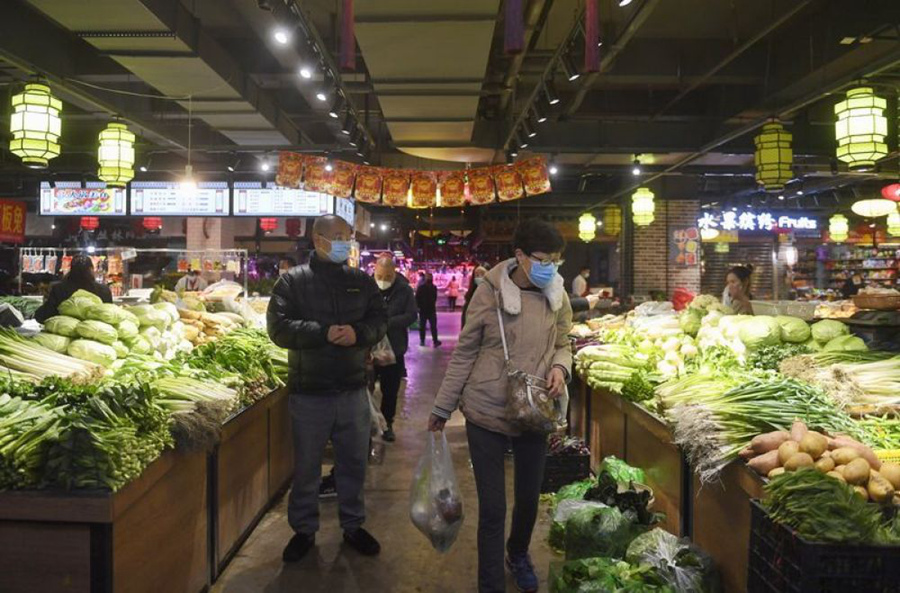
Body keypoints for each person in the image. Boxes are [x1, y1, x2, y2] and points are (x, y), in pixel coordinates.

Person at [428, 219, 573, 593]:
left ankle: (518, 553)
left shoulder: (556, 294)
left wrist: (560, 368)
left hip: (534, 408)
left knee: (528, 499)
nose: (550, 268)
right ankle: (490, 584)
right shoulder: (488, 294)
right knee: (493, 508)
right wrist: (442, 408)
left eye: (556, 260)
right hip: (486, 410)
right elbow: (465, 352)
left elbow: (563, 343)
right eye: (543, 259)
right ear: (520, 255)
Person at [266, 214, 387, 563]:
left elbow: (379, 320)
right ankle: (304, 530)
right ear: (317, 240)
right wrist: (322, 332)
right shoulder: (292, 282)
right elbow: (278, 328)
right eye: (337, 236)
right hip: (310, 392)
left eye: (347, 237)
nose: (344, 243)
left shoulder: (361, 281)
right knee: (306, 467)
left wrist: (358, 334)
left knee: (353, 464)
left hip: (352, 390)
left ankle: (353, 525)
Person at [372, 256, 417, 443]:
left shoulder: (404, 290)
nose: (383, 280)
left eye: (387, 276)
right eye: (379, 276)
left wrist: (388, 323)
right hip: (369, 349)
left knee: (390, 391)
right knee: (364, 389)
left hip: (395, 349)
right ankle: (367, 424)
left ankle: (387, 424)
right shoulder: (367, 286)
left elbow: (411, 315)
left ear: (394, 273)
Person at [35, 255, 113, 323]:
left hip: (65, 332)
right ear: (91, 269)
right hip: (94, 332)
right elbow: (110, 315)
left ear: (71, 269)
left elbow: (44, 315)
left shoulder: (59, 289)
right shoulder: (104, 290)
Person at [415, 273, 441, 347]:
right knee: (431, 326)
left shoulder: (421, 287)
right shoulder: (433, 287)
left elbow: (417, 298)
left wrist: (418, 306)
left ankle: (424, 341)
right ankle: (433, 341)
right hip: (429, 309)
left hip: (425, 309)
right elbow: (434, 297)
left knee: (424, 326)